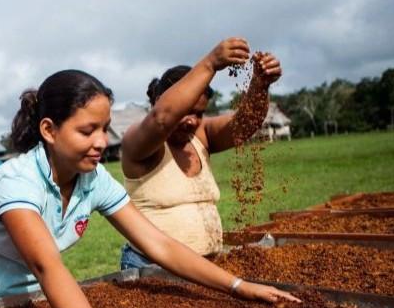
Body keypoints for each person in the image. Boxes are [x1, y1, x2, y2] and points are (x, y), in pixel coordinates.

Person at [0, 69, 298, 308]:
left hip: (37, 299)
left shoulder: (93, 179)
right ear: (49, 130)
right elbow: (46, 264)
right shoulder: (15, 183)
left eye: (105, 129)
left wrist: (237, 286)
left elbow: (158, 244)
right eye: (87, 131)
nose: (101, 142)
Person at [119, 37, 282, 269]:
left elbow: (245, 123)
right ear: (159, 102)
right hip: (152, 267)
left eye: (199, 113)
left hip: (205, 266)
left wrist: (261, 84)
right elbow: (162, 119)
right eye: (186, 111)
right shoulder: (138, 140)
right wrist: (211, 62)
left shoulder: (201, 135)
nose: (192, 121)